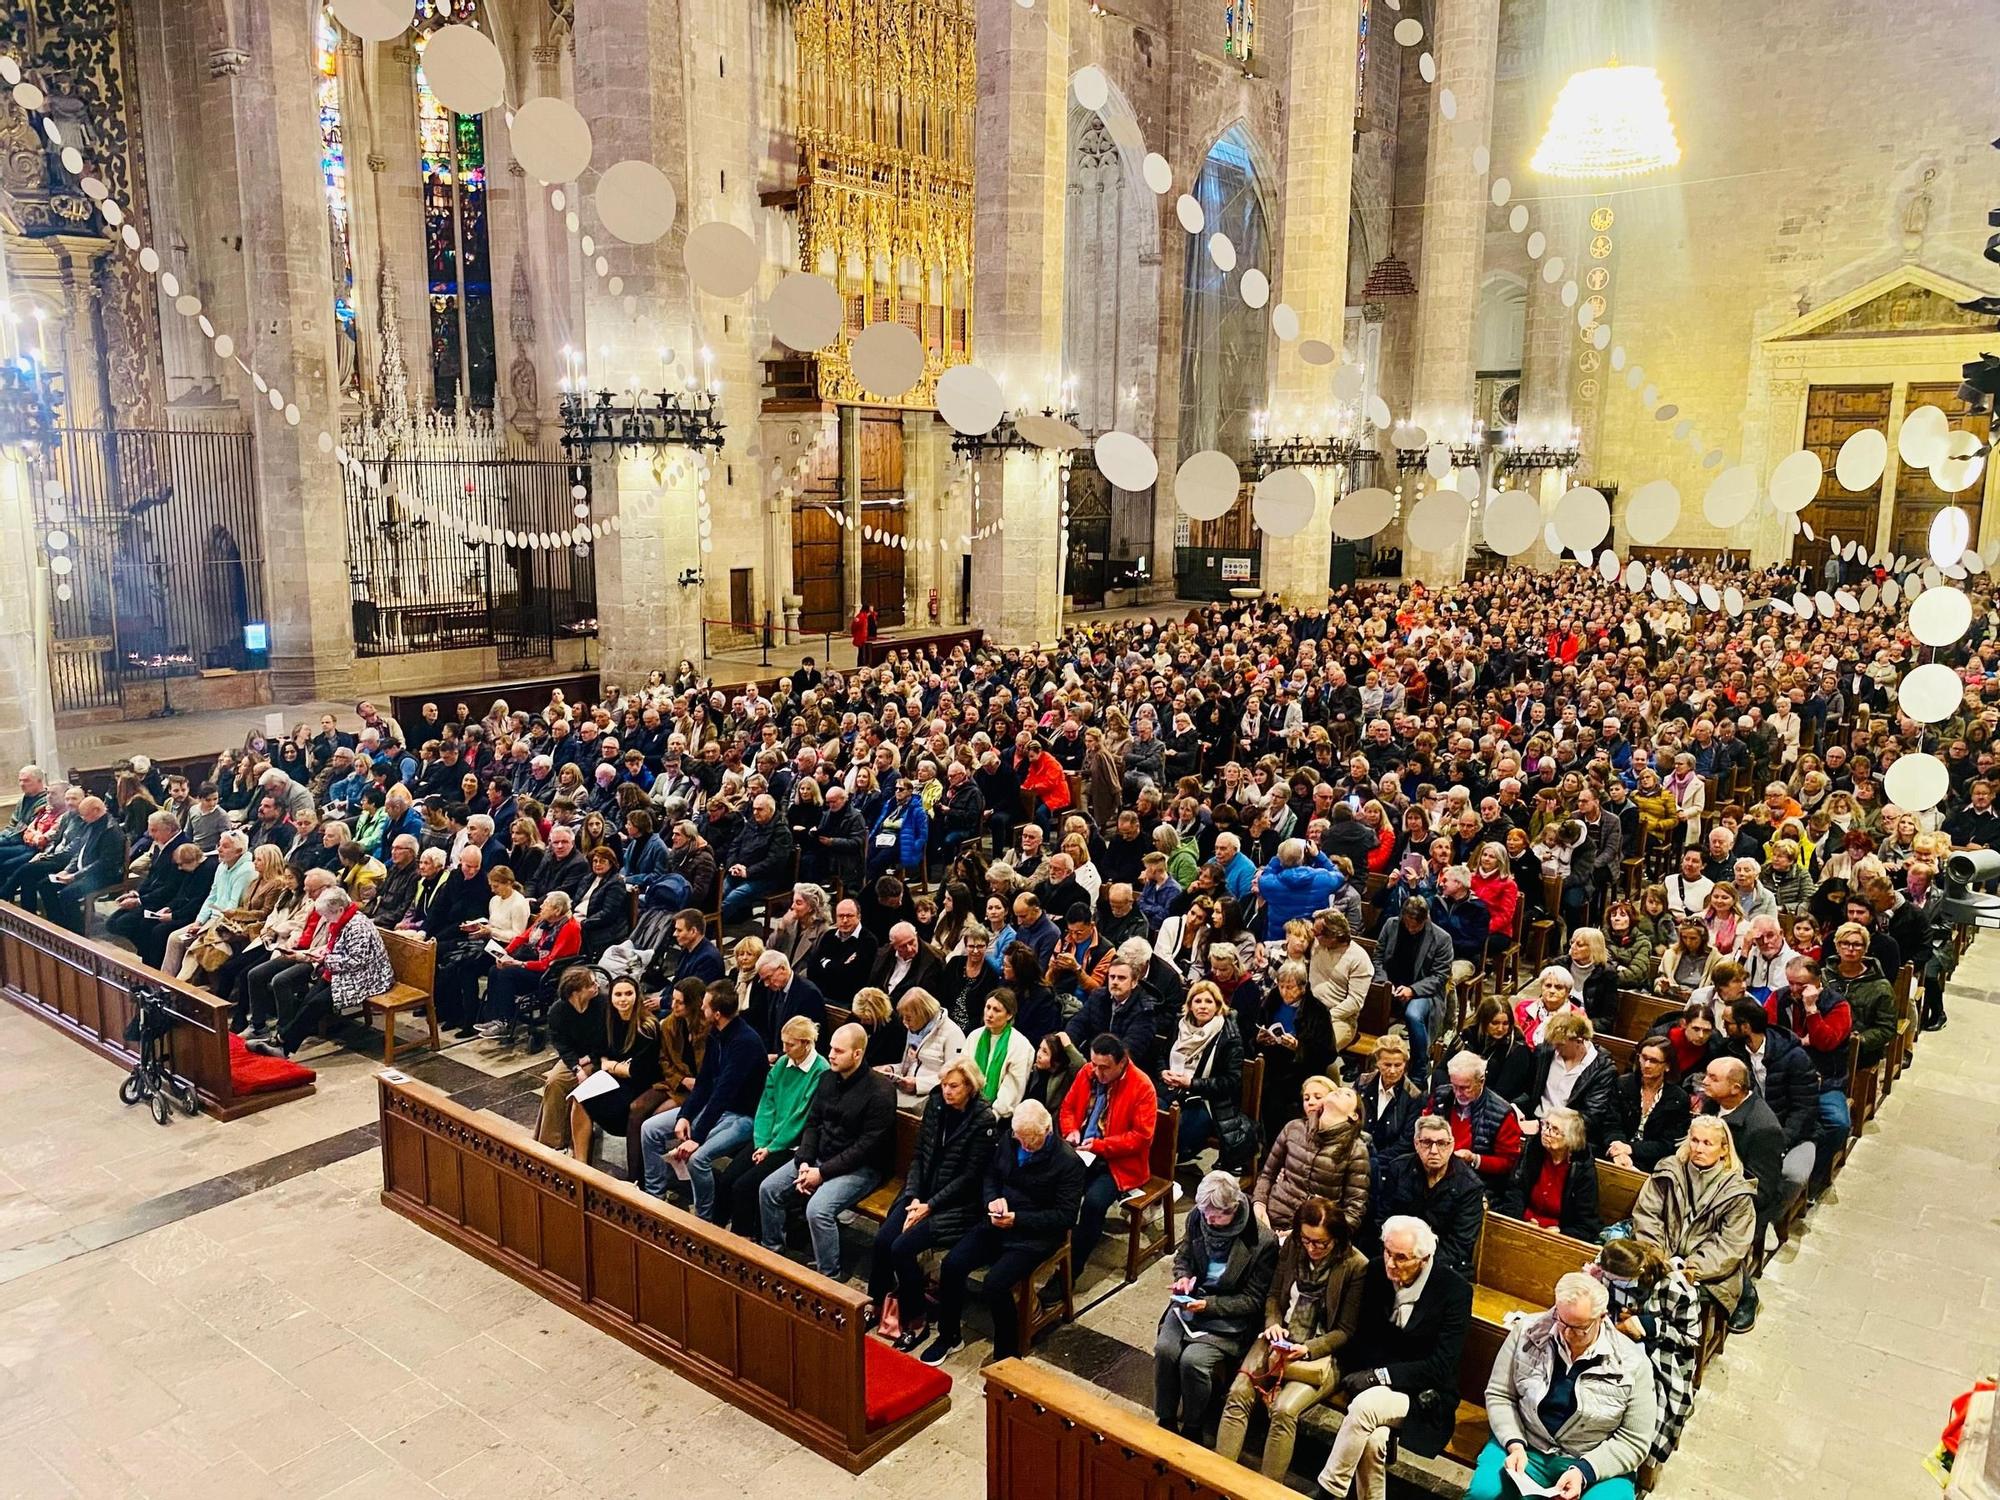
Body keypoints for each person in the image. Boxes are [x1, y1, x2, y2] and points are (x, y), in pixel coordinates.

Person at [1307, 1216, 1472, 1500]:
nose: (1390, 1264)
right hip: (1378, 1383)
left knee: (1364, 1407)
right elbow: (1362, 1336)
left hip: (1424, 1395)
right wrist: (1376, 1375)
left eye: (1401, 1258)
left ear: (1424, 1258)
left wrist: (1380, 1376)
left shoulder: (1453, 1291)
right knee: (1373, 1439)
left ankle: (1328, 1492)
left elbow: (1441, 1365)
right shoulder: (1374, 1272)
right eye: (1387, 1252)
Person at [920, 1099, 1084, 1366]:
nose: (1024, 1146)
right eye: (1020, 1138)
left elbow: (1064, 1218)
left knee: (996, 1285)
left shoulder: (1068, 1163)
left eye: (1031, 1140)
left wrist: (1017, 1220)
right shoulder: (1010, 1139)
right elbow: (990, 1176)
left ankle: (1007, 1357)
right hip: (997, 1222)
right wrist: (993, 1200)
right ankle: (949, 1336)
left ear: (1047, 1131)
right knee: (952, 1264)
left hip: (1033, 1236)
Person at [1471, 1270, 1657, 1500]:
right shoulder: (1526, 1332)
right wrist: (1514, 1442)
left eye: (1579, 1328)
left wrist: (1585, 1471)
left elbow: (1634, 1439)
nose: (1566, 1333)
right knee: (1484, 1494)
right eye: (1561, 1320)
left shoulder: (1633, 1363)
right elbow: (1501, 1394)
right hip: (1527, 1444)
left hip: (1594, 1461)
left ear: (1602, 1317)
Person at [865, 1056, 1000, 1351]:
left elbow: (969, 1178)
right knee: (883, 1240)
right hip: (921, 1194)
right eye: (943, 1084)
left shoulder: (984, 1120)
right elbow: (919, 1157)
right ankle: (876, 1304)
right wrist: (913, 1196)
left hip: (957, 1206)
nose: (947, 1090)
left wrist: (930, 1206)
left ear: (970, 1086)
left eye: (953, 1086)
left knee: (902, 1249)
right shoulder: (936, 1105)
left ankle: (916, 1320)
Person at [757, 1021, 896, 1278]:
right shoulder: (827, 1078)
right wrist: (806, 1161)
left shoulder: (880, 1092)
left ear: (857, 1053)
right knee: (769, 1189)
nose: (830, 1054)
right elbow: (813, 1123)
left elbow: (865, 1148)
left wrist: (822, 1174)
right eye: (831, 1048)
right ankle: (772, 1251)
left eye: (839, 1051)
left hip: (862, 1167)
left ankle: (829, 1276)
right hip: (821, 1157)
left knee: (818, 1209)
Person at [1153, 1169, 1278, 1438]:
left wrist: (1208, 1306)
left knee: (1193, 1361)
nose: (1209, 1220)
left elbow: (1253, 1300)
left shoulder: (1262, 1242)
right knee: (1165, 1349)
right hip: (1191, 1302)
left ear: (1233, 1209)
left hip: (1227, 1316)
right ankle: (1165, 1417)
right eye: (1205, 1213)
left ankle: (1195, 1425)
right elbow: (1184, 1256)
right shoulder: (1198, 1217)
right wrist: (1184, 1278)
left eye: (1216, 1215)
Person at [638, 983, 767, 1219]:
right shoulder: (715, 1035)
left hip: (743, 1115)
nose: (702, 1010)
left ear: (716, 1014)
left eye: (706, 1007)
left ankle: (704, 1219)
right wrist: (684, 1115)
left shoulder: (745, 1043)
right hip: (717, 1108)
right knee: (649, 1129)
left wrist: (696, 1137)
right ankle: (655, 1196)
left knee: (698, 1158)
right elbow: (705, 1082)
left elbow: (724, 1093)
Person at [1629, 1111, 1758, 1326]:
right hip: (1663, 1254)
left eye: (1708, 1143)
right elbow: (1647, 1216)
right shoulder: (1668, 1171)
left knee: (1679, 1298)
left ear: (1724, 1150)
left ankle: (1745, 1294)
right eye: (1695, 1141)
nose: (1698, 1149)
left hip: (1706, 1268)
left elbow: (1730, 1244)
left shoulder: (1737, 1192)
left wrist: (1691, 1268)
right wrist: (1657, 1256)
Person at [245, 887, 394, 1059]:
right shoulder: (343, 919)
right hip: (344, 972)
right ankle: (283, 1043)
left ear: (339, 909)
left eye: (327, 915)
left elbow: (356, 961)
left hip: (368, 977)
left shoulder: (358, 926)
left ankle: (282, 1043)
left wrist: (323, 960)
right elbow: (335, 950)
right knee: (309, 1000)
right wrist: (306, 955)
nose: (325, 919)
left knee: (316, 1005)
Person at [714, 1013, 828, 1236]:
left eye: (790, 1044)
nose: (784, 1049)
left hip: (790, 1145)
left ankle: (742, 1240)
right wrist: (761, 1142)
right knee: (728, 1178)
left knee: (744, 1186)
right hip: (767, 1140)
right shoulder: (783, 1063)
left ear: (806, 1044)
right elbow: (767, 1105)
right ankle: (714, 1231)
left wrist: (771, 1147)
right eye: (783, 1043)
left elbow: (802, 1117)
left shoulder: (820, 1071)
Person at [1593, 1237, 1701, 1462]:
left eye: (1617, 1280)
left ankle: (1639, 1453)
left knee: (1646, 1400)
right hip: (1615, 1342)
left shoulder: (1673, 1288)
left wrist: (1650, 1325)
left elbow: (1691, 1337)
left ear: (1636, 1273)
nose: (1611, 1281)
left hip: (1662, 1353)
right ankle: (1594, 1443)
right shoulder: (1607, 1272)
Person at [1057, 1033, 1159, 1271]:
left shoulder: (1142, 1086)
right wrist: (1071, 1130)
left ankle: (1071, 1270)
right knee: (1051, 1183)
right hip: (1081, 1150)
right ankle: (1049, 1249)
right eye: (1094, 1064)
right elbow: (1068, 1107)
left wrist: (1100, 1145)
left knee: (1093, 1204)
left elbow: (1142, 1137)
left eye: (1105, 1068)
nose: (1098, 1073)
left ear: (1122, 1063)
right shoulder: (1087, 1073)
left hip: (1117, 1163)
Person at [1254, 1077, 1372, 1241]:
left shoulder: (1356, 1149)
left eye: (1347, 1094)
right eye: (1338, 1089)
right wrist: (1259, 1204)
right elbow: (1267, 1175)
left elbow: (1354, 1212)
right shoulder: (1294, 1128)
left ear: (1354, 1115)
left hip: (1314, 1234)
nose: (1340, 1090)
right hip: (1271, 1216)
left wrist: (1313, 1233)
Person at [1369, 1113, 1486, 1277]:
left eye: (1441, 1144)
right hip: (1396, 1255)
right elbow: (1383, 1220)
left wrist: (1418, 1265)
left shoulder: (1469, 1186)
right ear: (1416, 1144)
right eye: (1426, 1143)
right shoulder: (1399, 1168)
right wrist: (1395, 1257)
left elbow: (1460, 1243)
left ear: (1451, 1145)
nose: (1434, 1151)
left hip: (1441, 1265)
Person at [566, 976, 663, 1160]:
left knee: (591, 1101)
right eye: (618, 994)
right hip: (612, 1078)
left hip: (638, 1085)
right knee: (578, 1097)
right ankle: (581, 1163)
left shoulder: (648, 1027)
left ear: (637, 995)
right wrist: (609, 1065)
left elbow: (638, 1070)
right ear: (611, 997)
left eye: (628, 993)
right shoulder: (609, 1019)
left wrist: (612, 1065)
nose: (623, 999)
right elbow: (599, 1053)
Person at [1159, 979, 1246, 1161]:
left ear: (1218, 1006)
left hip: (1208, 1100)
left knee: (1178, 1133)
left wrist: (1192, 1083)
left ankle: (1165, 1173)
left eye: (1209, 1001)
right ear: (1190, 1005)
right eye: (1197, 1001)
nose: (1203, 1007)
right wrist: (1163, 1072)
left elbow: (1231, 1081)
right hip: (1173, 1089)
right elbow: (1161, 1055)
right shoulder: (1179, 1025)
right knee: (1150, 1115)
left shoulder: (1229, 1037)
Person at [1371, 895, 1453, 1084]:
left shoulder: (1441, 938)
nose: (1410, 928)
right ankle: (1371, 1062)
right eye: (1407, 924)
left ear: (1426, 919)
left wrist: (1412, 990)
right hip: (1389, 985)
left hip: (1423, 991)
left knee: (1414, 1015)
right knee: (1368, 1003)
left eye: (1415, 926)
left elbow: (1439, 977)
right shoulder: (1391, 925)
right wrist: (1384, 982)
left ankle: (1420, 1066)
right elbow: (1378, 957)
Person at [1423, 1051, 1523, 1198]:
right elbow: (1423, 1129)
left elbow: (1509, 1162)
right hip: (1433, 1173)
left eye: (1464, 1088)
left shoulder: (1502, 1113)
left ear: (1481, 1081)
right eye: (1454, 1086)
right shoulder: (1441, 1096)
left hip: (1475, 1184)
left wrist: (1475, 1159)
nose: (1457, 1093)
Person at [1499, 1106, 1600, 1240]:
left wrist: (1560, 1233)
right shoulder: (1534, 1149)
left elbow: (1586, 1224)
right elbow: (1515, 1191)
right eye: (1545, 1125)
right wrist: (1520, 1222)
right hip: (1524, 1223)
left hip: (1557, 1235)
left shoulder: (1583, 1169)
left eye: (1555, 1130)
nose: (1546, 1132)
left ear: (1571, 1138)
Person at [1522, 1011, 1619, 1151]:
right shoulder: (1545, 1053)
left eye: (1561, 1045)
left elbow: (1591, 1116)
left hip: (1569, 1136)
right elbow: (1529, 1091)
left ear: (1579, 1041)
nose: (1556, 1048)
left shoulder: (1603, 1070)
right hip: (1535, 1121)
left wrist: (1544, 1126)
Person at [534, 967, 608, 1148]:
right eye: (590, 985)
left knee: (579, 1085)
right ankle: (551, 1143)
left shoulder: (603, 1004)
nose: (596, 986)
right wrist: (576, 1067)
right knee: (554, 1081)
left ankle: (575, 1139)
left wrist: (590, 1058)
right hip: (575, 1058)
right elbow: (561, 1045)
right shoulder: (557, 1011)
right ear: (576, 992)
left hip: (600, 1056)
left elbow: (609, 1039)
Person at [1605, 1035, 1692, 1173]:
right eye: (1644, 1058)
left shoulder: (1678, 1098)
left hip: (1652, 1162)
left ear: (1667, 1066)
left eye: (1654, 1061)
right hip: (1616, 1151)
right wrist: (1618, 1149)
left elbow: (1668, 1144)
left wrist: (1631, 1149)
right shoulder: (1623, 1084)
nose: (1646, 1065)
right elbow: (1611, 1123)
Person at [883, 988, 967, 1110]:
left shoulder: (953, 1033)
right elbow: (908, 1066)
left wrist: (918, 1084)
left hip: (932, 1098)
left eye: (908, 1018)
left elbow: (954, 1078)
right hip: (906, 1093)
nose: (904, 1022)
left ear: (922, 1014)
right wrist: (891, 1070)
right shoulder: (914, 1029)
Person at [967, 987, 1034, 1117]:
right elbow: (964, 1073)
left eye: (996, 1010)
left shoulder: (1020, 1045)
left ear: (1009, 1015)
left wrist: (992, 1115)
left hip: (997, 1115)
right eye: (988, 1007)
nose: (989, 1014)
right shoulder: (974, 1036)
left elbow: (1013, 1087)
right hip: (966, 1105)